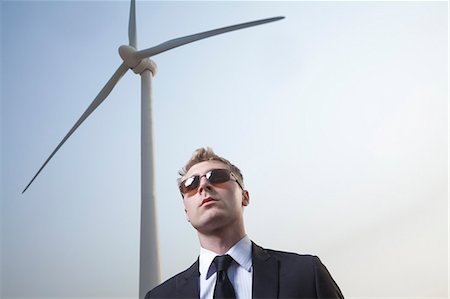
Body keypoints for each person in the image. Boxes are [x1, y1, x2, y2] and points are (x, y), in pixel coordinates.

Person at [146, 147, 344, 299]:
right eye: (191, 184)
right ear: (186, 212)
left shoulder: (307, 274)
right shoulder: (159, 297)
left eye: (217, 177)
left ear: (245, 197)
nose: (204, 185)